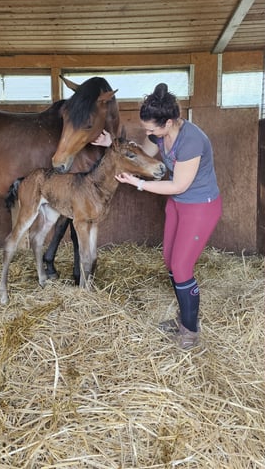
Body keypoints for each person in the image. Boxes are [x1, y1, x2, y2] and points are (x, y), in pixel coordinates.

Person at [93, 83, 222, 349]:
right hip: (176, 204)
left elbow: (178, 185)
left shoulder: (192, 140)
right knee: (170, 262)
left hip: (199, 206)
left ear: (170, 121)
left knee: (182, 267)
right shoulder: (161, 135)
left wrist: (137, 184)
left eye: (152, 129)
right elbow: (141, 156)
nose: (148, 134)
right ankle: (183, 318)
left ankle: (190, 331)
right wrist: (113, 145)